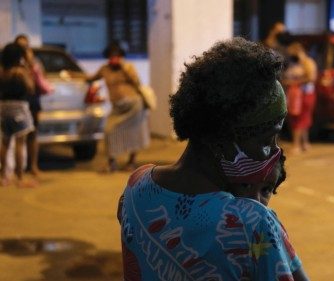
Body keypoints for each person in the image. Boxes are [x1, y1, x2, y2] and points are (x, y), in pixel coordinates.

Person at [117, 38, 309, 280]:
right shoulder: (254, 224)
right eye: (266, 140)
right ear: (223, 139)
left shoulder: (136, 185)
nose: (274, 152)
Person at [87, 42, 150, 172]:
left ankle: (131, 162)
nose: (114, 59)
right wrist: (73, 75)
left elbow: (137, 81)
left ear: (121, 56)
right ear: (108, 57)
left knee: (135, 133)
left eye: (117, 56)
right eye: (111, 56)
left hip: (134, 105)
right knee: (109, 130)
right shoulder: (104, 69)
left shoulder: (128, 67)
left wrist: (124, 67)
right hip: (117, 107)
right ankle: (112, 163)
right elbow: (91, 78)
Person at [14, 34, 53, 177]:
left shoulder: (35, 62)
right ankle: (17, 169)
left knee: (33, 135)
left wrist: (31, 64)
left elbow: (42, 79)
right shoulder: (12, 63)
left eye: (25, 46)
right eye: (20, 46)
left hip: (33, 102)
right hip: (17, 102)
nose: (23, 49)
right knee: (17, 137)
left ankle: (33, 166)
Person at [0, 43, 36, 187]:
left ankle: (3, 176)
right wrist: (27, 65)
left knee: (4, 142)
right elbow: (31, 88)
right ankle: (19, 177)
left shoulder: (2, 72)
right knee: (20, 143)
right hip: (19, 108)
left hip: (3, 108)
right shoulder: (20, 72)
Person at [283, 42, 318, 154]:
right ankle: (305, 143)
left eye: (292, 53)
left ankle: (296, 145)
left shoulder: (308, 62)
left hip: (304, 94)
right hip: (296, 94)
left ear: (298, 52)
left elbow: (311, 78)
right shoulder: (296, 64)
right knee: (302, 118)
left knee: (299, 119)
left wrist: (293, 82)